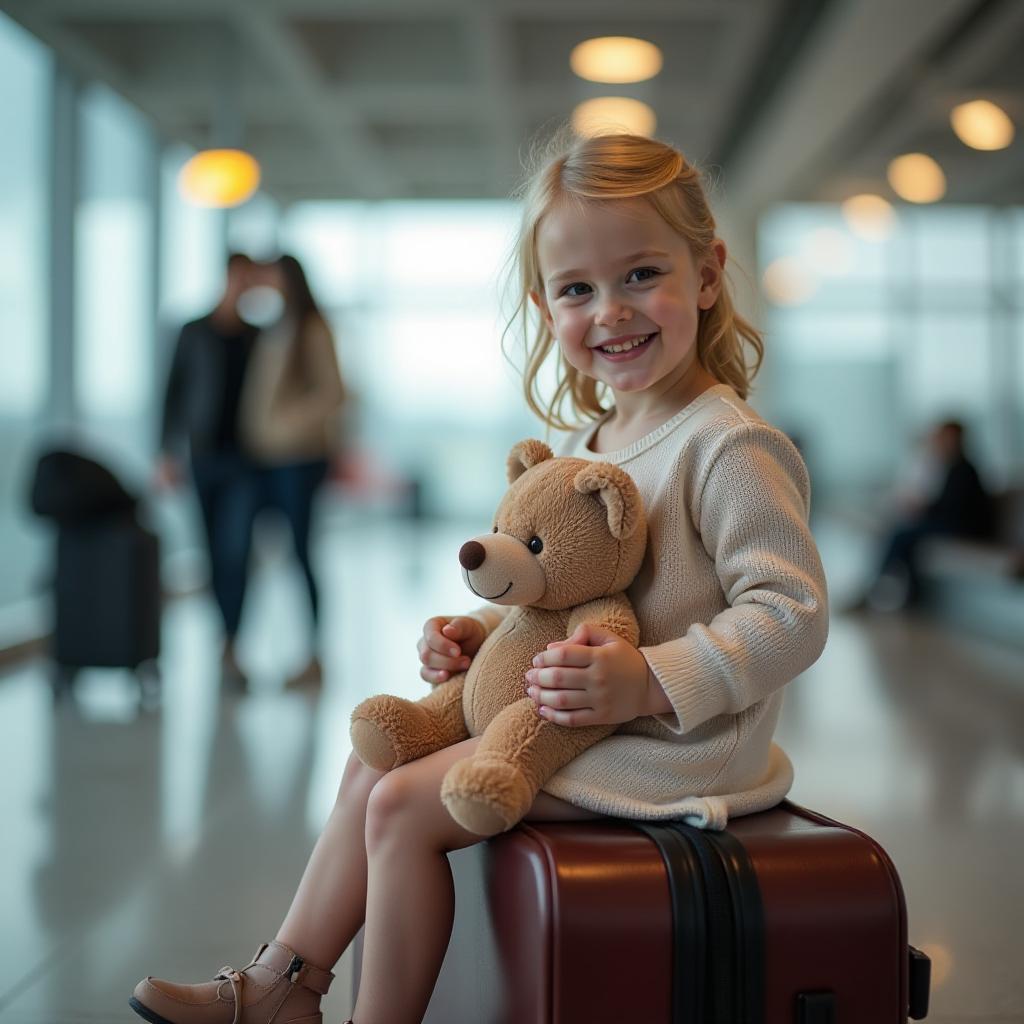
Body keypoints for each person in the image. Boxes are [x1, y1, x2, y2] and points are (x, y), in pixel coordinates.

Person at [129, 132, 828, 1024]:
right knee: (368, 766)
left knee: (403, 810)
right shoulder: (587, 445)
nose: (610, 310)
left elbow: (792, 613)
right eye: (577, 289)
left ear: (708, 273)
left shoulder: (726, 444)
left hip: (676, 748)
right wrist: (483, 640)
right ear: (545, 306)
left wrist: (651, 677)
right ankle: (280, 985)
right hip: (578, 721)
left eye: (642, 274)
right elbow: (557, 594)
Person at [239, 254, 345, 688]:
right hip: (266, 459)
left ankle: (313, 655)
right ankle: (255, 650)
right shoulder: (273, 328)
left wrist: (283, 426)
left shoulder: (312, 328)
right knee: (262, 554)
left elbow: (332, 392)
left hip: (298, 458)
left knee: (301, 553)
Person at [157, 252, 262, 689]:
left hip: (248, 461)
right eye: (238, 277)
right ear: (226, 278)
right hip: (203, 457)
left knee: (237, 550)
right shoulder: (194, 331)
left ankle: (233, 642)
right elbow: (173, 392)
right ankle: (224, 634)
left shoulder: (259, 337)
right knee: (213, 555)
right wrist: (165, 452)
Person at [852, 419, 994, 610]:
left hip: (963, 528)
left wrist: (924, 508)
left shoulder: (964, 469)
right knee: (906, 536)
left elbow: (954, 508)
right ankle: (912, 594)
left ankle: (875, 588)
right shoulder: (952, 467)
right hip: (953, 523)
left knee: (902, 536)